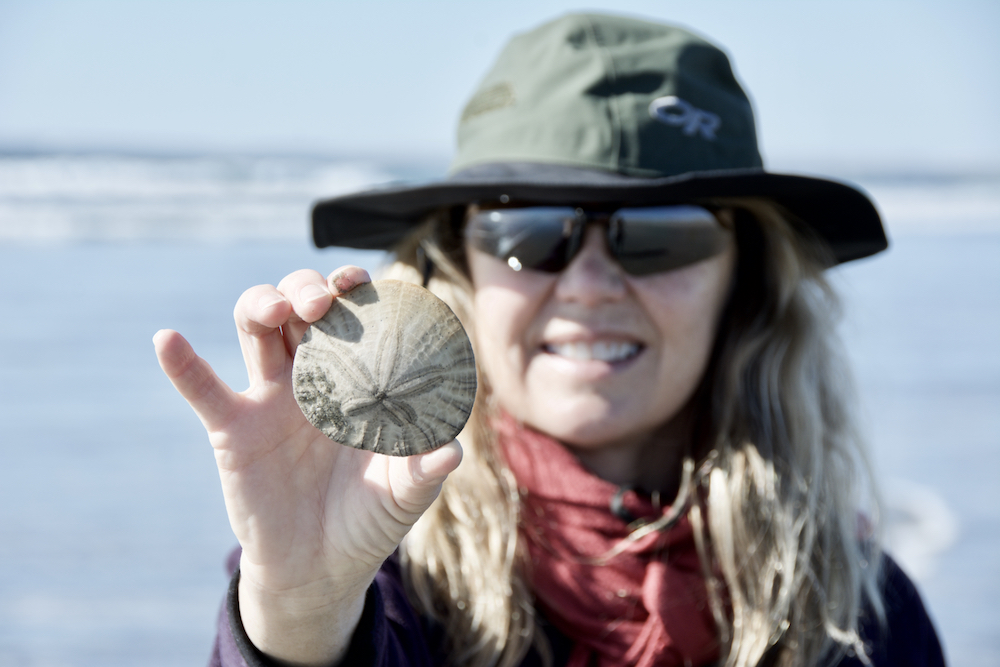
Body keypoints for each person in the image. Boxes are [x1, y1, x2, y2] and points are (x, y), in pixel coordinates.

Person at [154, 13, 946, 667]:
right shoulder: (377, 575)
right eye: (526, 232)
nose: (589, 284)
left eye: (661, 234)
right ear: (458, 267)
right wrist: (302, 608)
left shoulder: (858, 615)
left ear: (743, 280)